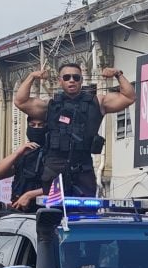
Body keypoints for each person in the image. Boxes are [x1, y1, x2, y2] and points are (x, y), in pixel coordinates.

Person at [14, 63, 135, 196]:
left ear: (81, 81)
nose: (71, 80)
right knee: (55, 212)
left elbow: (128, 97)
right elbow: (21, 101)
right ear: (60, 81)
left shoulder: (97, 102)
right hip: (55, 168)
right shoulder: (50, 105)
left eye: (76, 77)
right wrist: (32, 76)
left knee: (86, 211)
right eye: (66, 77)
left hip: (83, 167)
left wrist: (118, 74)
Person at [0, 118, 47, 210]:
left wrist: (29, 195)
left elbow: (60, 186)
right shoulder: (25, 153)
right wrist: (17, 153)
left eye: (41, 125)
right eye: (32, 125)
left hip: (45, 210)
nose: (36, 128)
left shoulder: (54, 155)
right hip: (19, 209)